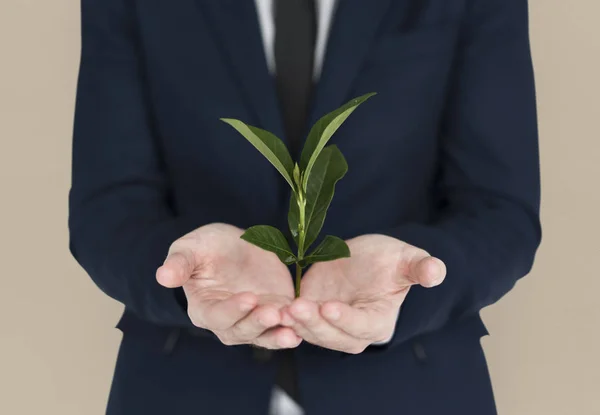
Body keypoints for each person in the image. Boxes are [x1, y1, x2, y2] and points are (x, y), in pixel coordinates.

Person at [68, 0, 541, 414]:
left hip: (410, 389)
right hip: (183, 388)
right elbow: (108, 208)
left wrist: (414, 281)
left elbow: (500, 211)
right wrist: (186, 278)